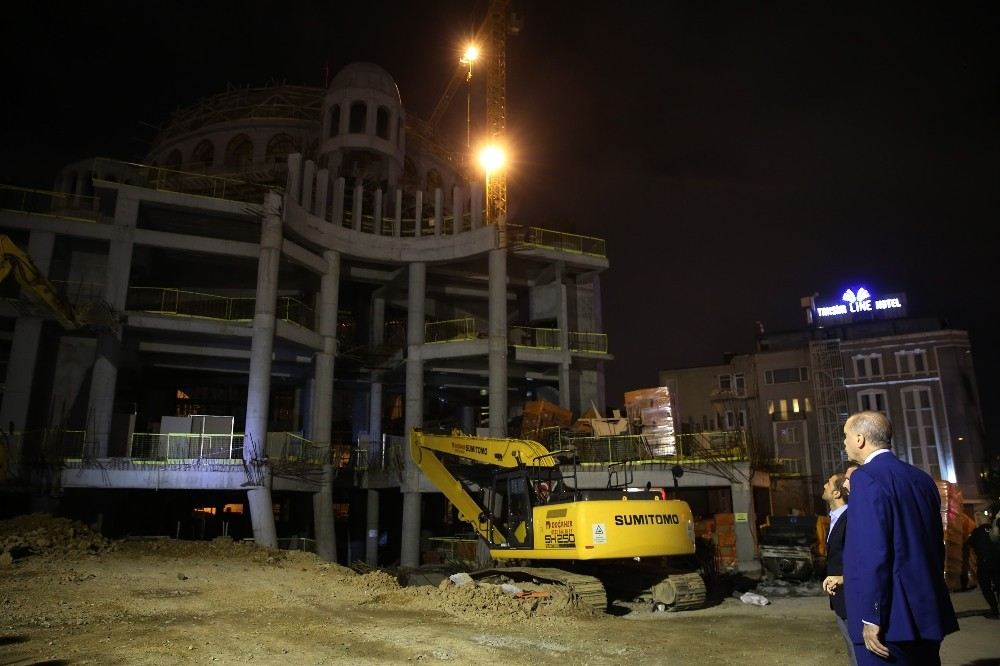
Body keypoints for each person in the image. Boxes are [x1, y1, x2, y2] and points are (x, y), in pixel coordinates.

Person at [842, 410, 959, 664]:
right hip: (927, 613)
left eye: (846, 436)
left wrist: (872, 616)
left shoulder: (866, 478)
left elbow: (872, 553)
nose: (845, 443)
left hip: (891, 621)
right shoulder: (922, 479)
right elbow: (936, 546)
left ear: (860, 439)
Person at [822, 465, 858, 666]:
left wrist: (844, 578)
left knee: (858, 649)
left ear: (836, 492)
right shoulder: (835, 519)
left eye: (828, 483)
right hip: (840, 598)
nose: (825, 486)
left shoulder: (850, 518)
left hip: (851, 595)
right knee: (851, 647)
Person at [965, 505, 1000, 618]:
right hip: (997, 561)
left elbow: (969, 544)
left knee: (986, 587)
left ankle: (995, 610)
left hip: (985, 562)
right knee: (998, 585)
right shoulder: (994, 529)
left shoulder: (977, 531)